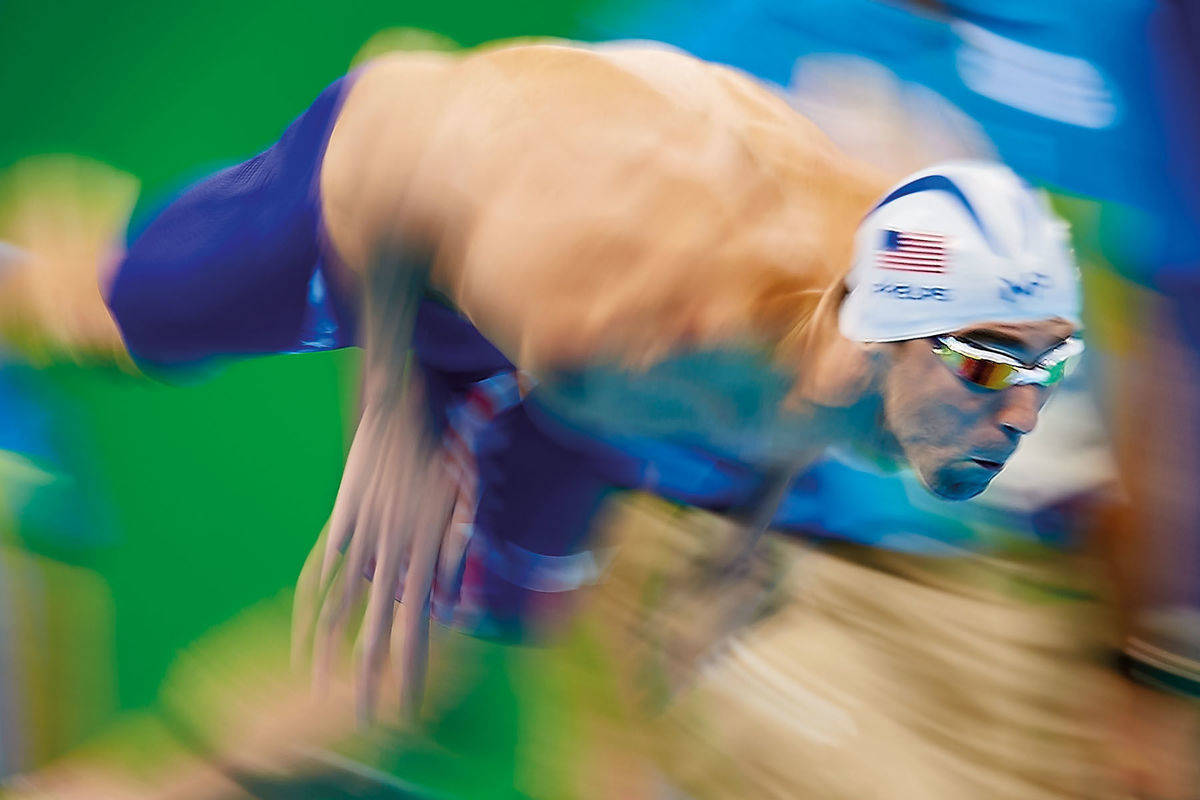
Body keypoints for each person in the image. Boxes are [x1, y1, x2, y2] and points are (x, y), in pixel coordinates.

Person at [2, 40, 1085, 796]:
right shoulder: (647, 292)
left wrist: (747, 524)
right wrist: (390, 409)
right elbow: (399, 100)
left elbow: (809, 404)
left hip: (579, 396)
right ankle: (32, 272)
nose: (1026, 412)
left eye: (1049, 364)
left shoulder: (873, 352)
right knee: (106, 319)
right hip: (399, 225)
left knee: (428, 675)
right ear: (892, 332)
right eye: (993, 367)